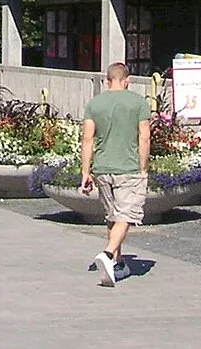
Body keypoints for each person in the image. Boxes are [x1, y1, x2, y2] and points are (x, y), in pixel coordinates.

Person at [79, 61, 151, 287]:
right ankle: (109, 253)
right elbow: (145, 136)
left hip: (102, 167)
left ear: (107, 80)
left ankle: (117, 266)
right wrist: (143, 166)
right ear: (127, 80)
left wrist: (85, 172)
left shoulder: (94, 104)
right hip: (128, 167)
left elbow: (87, 139)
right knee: (126, 215)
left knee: (112, 216)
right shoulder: (139, 103)